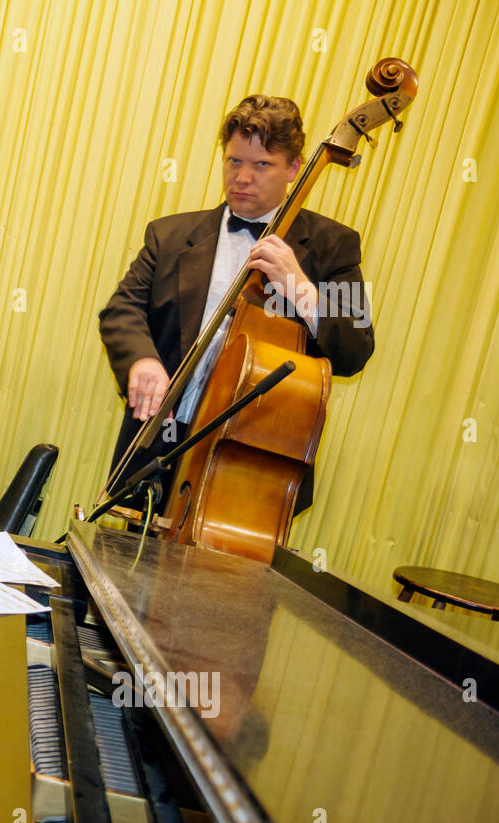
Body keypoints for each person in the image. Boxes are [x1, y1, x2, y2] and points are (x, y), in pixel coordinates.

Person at [98, 95, 374, 512]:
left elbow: (357, 346)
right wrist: (142, 360)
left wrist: (298, 285)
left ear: (295, 168)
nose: (242, 177)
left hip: (255, 461)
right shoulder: (169, 234)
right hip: (160, 444)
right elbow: (122, 310)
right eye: (234, 161)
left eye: (262, 165)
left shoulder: (335, 245)